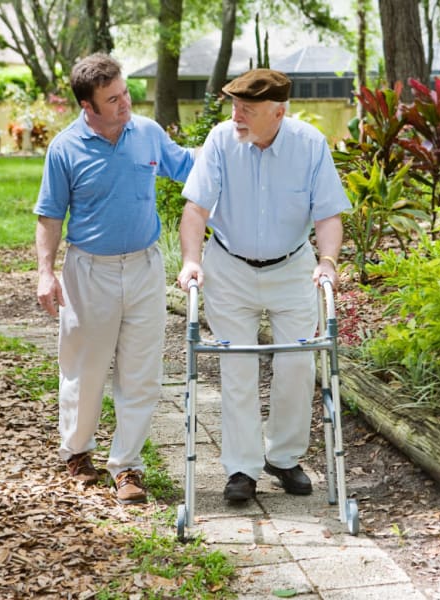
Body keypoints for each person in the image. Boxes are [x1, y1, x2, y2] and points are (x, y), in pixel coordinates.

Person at [177, 68, 350, 503]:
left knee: (298, 364)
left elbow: (328, 214)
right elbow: (196, 209)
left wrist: (327, 262)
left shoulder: (309, 144)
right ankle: (242, 468)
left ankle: (284, 457)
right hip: (230, 267)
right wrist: (191, 261)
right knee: (238, 367)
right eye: (234, 106)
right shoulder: (220, 141)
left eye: (247, 110)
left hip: (292, 266)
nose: (236, 116)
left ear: (278, 112)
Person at [34, 53, 194, 505]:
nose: (125, 104)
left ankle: (127, 467)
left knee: (142, 373)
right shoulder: (65, 149)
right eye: (113, 99)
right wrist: (46, 274)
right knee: (86, 371)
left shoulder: (147, 134)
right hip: (90, 272)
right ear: (88, 106)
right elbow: (50, 216)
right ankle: (77, 453)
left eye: (125, 93)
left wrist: (235, 148)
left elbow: (190, 169)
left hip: (144, 267)